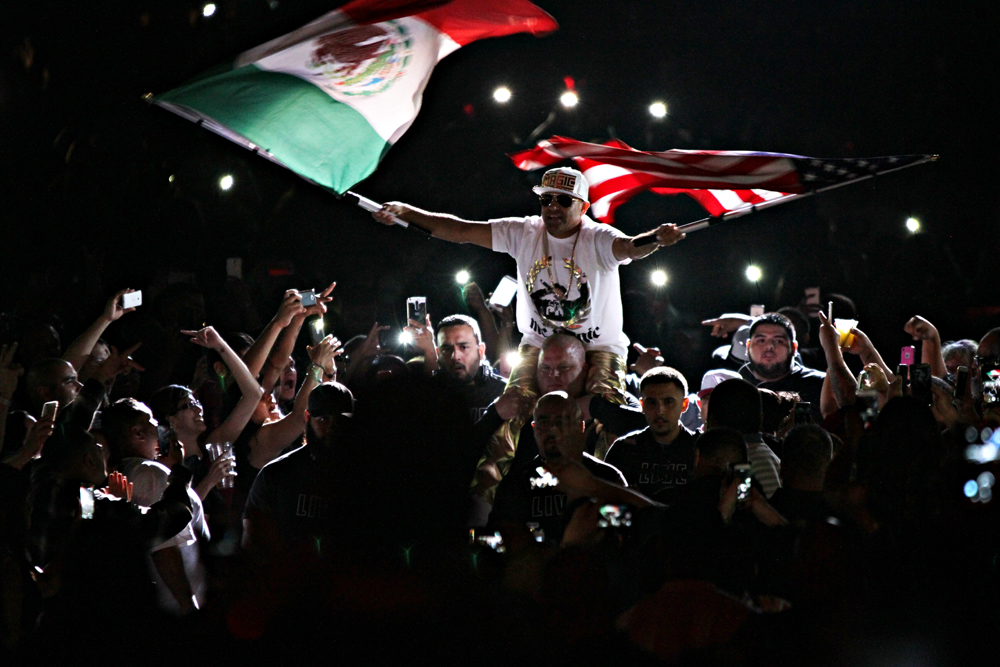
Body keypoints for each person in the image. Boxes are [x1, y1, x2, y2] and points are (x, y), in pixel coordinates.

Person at [488, 391, 627, 545]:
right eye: (544, 423)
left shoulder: (605, 475)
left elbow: (625, 531)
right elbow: (502, 540)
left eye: (562, 422)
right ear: (534, 429)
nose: (553, 429)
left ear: (581, 426)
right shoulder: (517, 483)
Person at [243, 382, 353, 554]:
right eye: (324, 419)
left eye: (340, 420)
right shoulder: (276, 474)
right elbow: (252, 543)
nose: (332, 428)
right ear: (308, 418)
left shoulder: (366, 474)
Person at [604, 367, 699, 500]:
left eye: (668, 402)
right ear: (642, 405)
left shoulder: (700, 448)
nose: (660, 411)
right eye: (651, 402)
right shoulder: (624, 449)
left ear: (684, 405)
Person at [739, 313, 825, 421]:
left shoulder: (819, 384)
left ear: (794, 348)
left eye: (778, 341)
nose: (769, 346)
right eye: (761, 340)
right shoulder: (736, 384)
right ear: (748, 347)